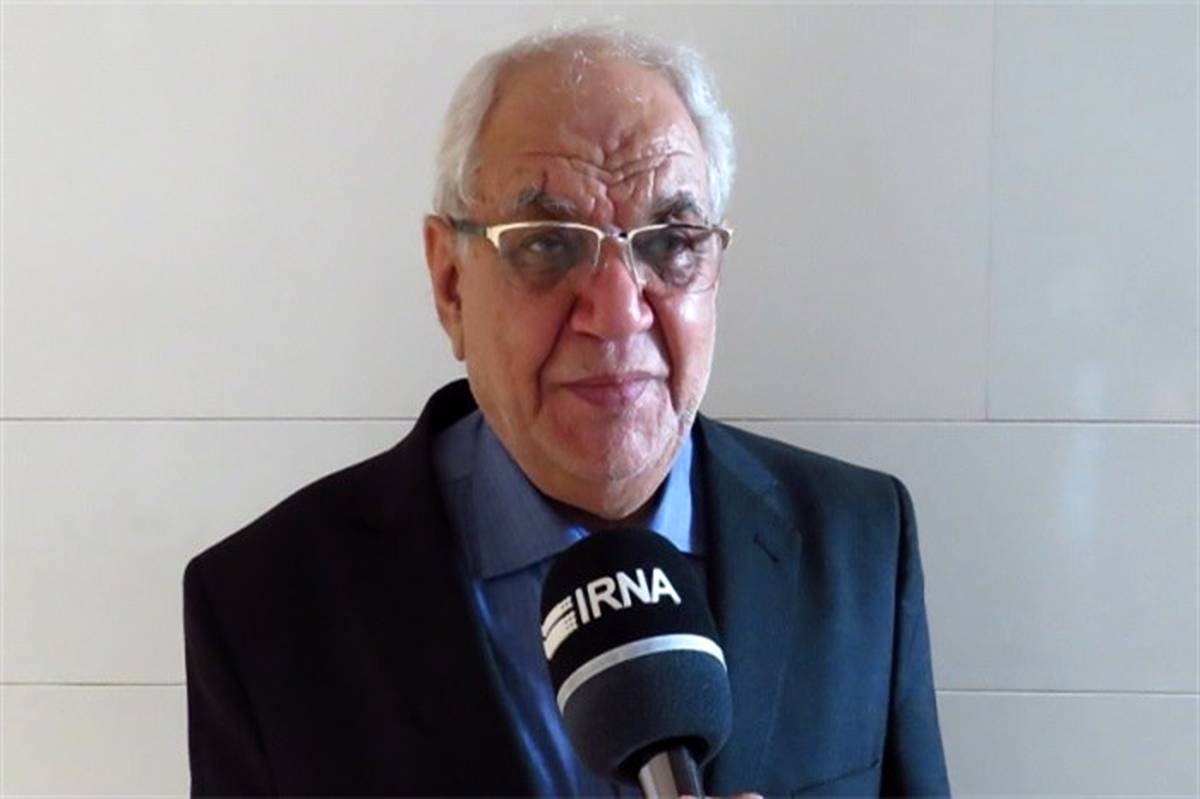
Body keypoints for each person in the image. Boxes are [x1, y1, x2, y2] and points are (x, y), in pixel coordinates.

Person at [183, 24, 951, 797]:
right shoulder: (263, 606)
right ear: (450, 284)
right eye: (548, 244)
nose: (617, 313)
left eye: (672, 241)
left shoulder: (861, 541)